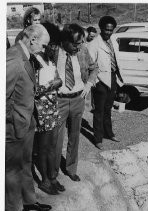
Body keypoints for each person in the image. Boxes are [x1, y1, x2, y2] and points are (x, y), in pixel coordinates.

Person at [6, 24, 52, 211]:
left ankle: (29, 202)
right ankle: (14, 207)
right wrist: (13, 119)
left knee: (25, 165)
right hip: (14, 126)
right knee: (11, 173)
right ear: (32, 40)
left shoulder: (26, 55)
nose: (44, 49)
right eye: (43, 45)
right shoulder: (14, 57)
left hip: (26, 124)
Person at [54, 23, 98, 182]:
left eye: (81, 43)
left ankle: (71, 168)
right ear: (64, 40)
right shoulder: (54, 52)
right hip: (59, 101)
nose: (78, 47)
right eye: (75, 43)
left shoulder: (83, 50)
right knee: (56, 139)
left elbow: (94, 68)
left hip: (78, 98)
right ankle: (53, 173)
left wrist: (89, 84)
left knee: (74, 136)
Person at [33, 22, 64, 195]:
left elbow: (58, 79)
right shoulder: (35, 60)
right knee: (43, 148)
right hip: (42, 109)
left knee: (53, 145)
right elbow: (34, 90)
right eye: (52, 44)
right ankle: (44, 180)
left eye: (55, 45)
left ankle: (52, 177)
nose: (54, 48)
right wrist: (52, 86)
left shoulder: (50, 59)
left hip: (53, 106)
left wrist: (55, 83)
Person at [87, 16, 124, 150]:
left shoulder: (113, 40)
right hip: (100, 81)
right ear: (101, 28)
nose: (108, 32)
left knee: (108, 109)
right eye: (106, 30)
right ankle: (98, 138)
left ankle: (109, 133)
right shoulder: (94, 44)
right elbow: (89, 65)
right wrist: (95, 81)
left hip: (112, 77)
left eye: (111, 30)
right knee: (99, 111)